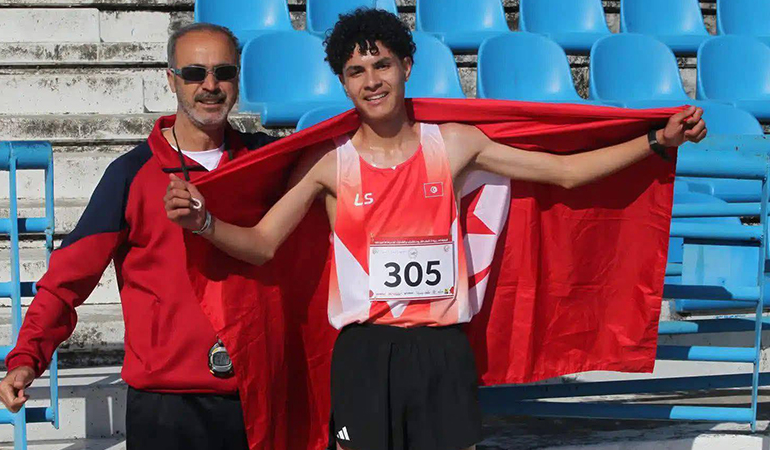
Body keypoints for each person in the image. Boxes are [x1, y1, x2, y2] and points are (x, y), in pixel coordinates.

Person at [164, 9, 707, 450]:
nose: (371, 81)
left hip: (442, 349)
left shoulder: (453, 144)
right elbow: (261, 245)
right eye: (356, 71)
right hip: (365, 353)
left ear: (406, 65)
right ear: (343, 83)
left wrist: (657, 143)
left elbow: (565, 173)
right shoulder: (328, 163)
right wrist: (204, 222)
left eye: (382, 65)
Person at [0, 23, 276, 450]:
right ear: (171, 79)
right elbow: (67, 279)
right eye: (194, 73)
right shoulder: (131, 174)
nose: (210, 85)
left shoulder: (268, 161)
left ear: (239, 79)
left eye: (224, 72)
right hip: (165, 407)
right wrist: (26, 359)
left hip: (260, 395)